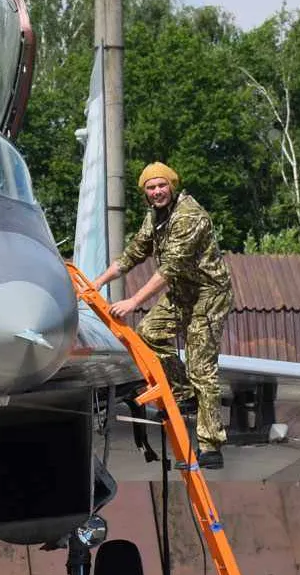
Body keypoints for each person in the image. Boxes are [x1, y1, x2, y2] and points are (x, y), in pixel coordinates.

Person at [93, 162, 232, 469]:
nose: (157, 192)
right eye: (151, 188)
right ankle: (182, 393)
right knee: (148, 333)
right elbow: (133, 253)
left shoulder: (189, 218)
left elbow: (168, 270)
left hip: (208, 295)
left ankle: (211, 446)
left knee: (201, 366)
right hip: (183, 292)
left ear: (172, 186)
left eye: (161, 186)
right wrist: (98, 283)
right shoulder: (155, 218)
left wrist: (132, 301)